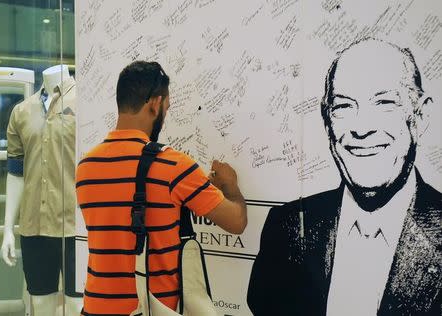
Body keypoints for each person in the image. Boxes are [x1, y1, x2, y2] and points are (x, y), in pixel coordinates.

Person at [247, 39, 441, 316]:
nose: (361, 128)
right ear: (327, 122)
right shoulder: (287, 227)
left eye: (384, 102)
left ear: (420, 116)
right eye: (344, 107)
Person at [76, 61, 247, 316]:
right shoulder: (173, 165)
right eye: (166, 107)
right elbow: (236, 222)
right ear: (154, 104)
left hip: (94, 307)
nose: (165, 116)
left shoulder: (86, 166)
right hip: (151, 310)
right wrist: (231, 186)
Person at [1, 64, 82, 315]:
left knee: (77, 304)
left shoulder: (86, 102)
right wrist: (7, 230)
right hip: (34, 227)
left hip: (76, 227)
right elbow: (16, 173)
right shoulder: (22, 112)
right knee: (41, 305)